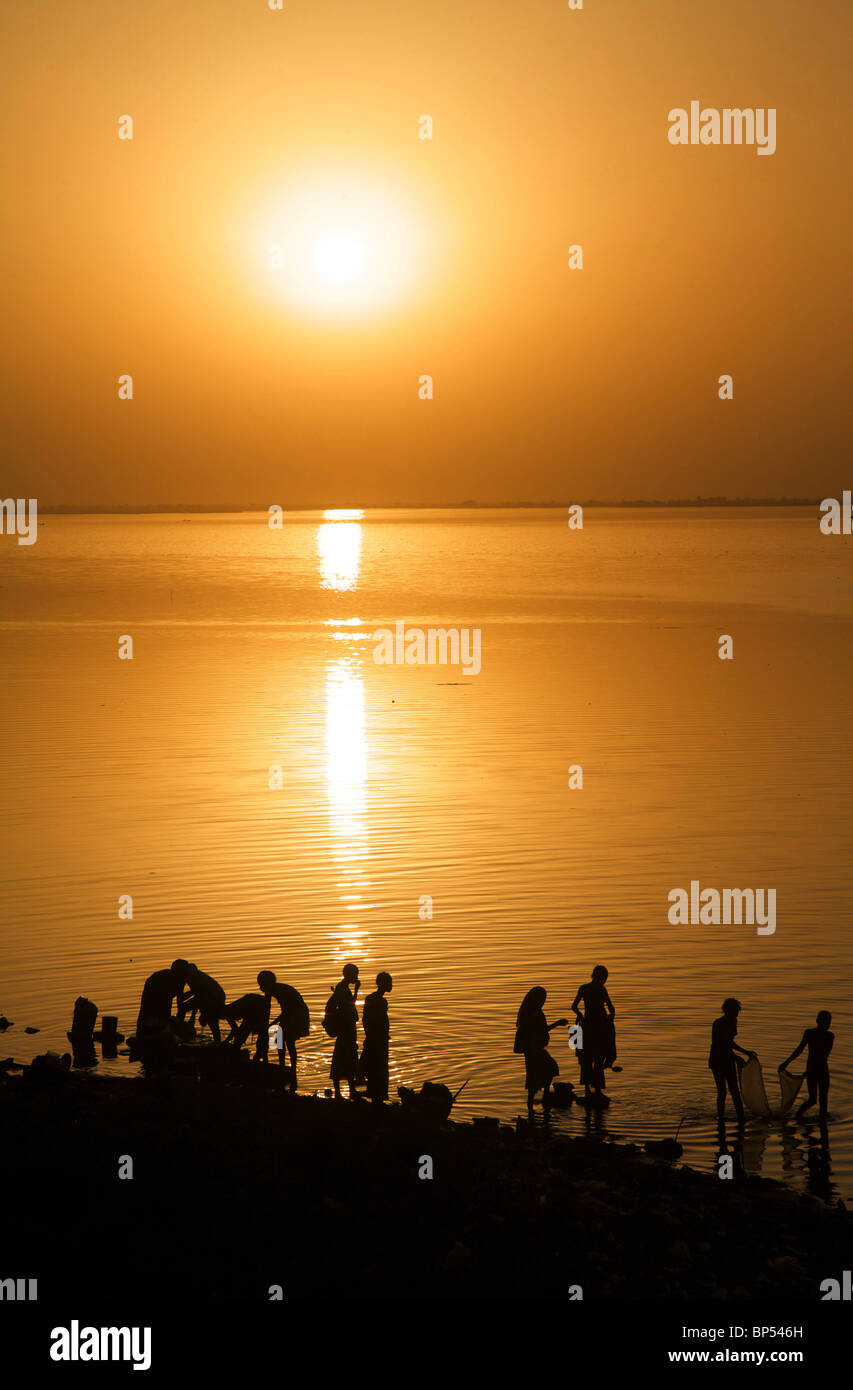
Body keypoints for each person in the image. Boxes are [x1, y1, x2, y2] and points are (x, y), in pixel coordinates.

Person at [514, 987, 568, 1111]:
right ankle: (539, 1098)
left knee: (542, 1071)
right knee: (546, 1069)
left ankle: (541, 1097)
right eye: (542, 998)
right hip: (534, 1049)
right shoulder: (533, 1013)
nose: (544, 1001)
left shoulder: (530, 1011)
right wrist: (557, 1024)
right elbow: (540, 1030)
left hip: (534, 1048)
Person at [257, 970, 310, 1091]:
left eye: (262, 985)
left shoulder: (281, 991)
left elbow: (287, 1012)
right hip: (291, 1013)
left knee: (288, 1041)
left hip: (298, 1014)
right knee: (279, 1040)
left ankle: (291, 1071)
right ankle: (284, 1068)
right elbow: (267, 1007)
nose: (261, 988)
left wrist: (271, 1024)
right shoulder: (273, 990)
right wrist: (267, 1024)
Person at [571, 965, 616, 1104]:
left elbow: (574, 1006)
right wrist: (609, 1019)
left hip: (588, 1024)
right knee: (597, 1058)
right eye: (604, 978)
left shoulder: (584, 988)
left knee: (587, 1059)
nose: (604, 980)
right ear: (600, 977)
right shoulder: (601, 989)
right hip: (598, 1027)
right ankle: (596, 1091)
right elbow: (612, 1009)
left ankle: (588, 1092)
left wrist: (579, 1014)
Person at [780, 1011, 834, 1121]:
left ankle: (806, 1119)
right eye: (825, 1021)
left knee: (822, 1099)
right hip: (815, 1070)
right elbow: (799, 1050)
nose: (827, 1024)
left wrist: (810, 1070)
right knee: (814, 1099)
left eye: (828, 1022)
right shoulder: (810, 1033)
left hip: (820, 1070)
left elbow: (824, 1055)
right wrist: (786, 1063)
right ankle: (798, 1118)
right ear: (818, 1021)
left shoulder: (829, 1036)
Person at [708, 998, 756, 1123]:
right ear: (727, 1010)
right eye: (735, 1010)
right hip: (717, 1060)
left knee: (734, 1090)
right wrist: (736, 1056)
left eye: (737, 1011)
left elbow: (730, 1042)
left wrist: (745, 1052)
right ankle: (721, 1118)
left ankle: (741, 1117)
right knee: (722, 1091)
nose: (737, 1013)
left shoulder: (733, 1021)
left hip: (728, 1059)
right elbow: (721, 1043)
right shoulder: (718, 1023)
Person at [327, 963, 361, 1100]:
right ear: (348, 975)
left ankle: (349, 1090)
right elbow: (349, 1005)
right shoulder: (342, 988)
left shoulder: (342, 988)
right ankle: (342, 1092)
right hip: (345, 1029)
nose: (357, 977)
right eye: (355, 974)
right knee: (344, 1057)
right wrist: (357, 991)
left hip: (346, 1028)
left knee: (347, 1058)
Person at [135, 959, 190, 1039]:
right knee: (153, 1017)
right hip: (152, 1002)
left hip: (160, 1005)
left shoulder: (182, 979)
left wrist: (180, 1020)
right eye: (184, 972)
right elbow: (165, 1001)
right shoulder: (162, 979)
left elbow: (180, 1001)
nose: (185, 976)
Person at [360, 972, 393, 1104]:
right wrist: (377, 1035)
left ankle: (375, 1096)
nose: (392, 985)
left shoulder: (371, 999)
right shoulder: (380, 1001)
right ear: (384, 984)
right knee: (378, 1068)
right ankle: (377, 1098)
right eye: (389, 982)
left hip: (374, 1038)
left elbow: (365, 1020)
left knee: (373, 1067)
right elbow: (375, 1021)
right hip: (378, 1040)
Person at [179, 963, 227, 1043]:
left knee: (212, 1021)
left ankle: (217, 1043)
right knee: (183, 1009)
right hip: (206, 998)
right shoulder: (188, 978)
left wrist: (193, 1015)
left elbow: (198, 996)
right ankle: (180, 1029)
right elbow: (196, 997)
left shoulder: (199, 979)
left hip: (214, 998)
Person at [222, 991, 271, 1060]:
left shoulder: (227, 1013)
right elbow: (235, 1029)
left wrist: (226, 1042)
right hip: (254, 1005)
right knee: (261, 1032)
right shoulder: (228, 1010)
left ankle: (260, 1055)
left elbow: (235, 1030)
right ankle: (262, 1055)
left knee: (246, 1034)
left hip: (255, 1006)